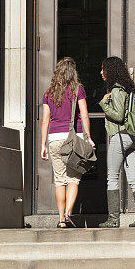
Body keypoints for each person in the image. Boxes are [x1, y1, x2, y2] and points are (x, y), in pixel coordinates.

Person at [41, 56, 94, 228]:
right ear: (73, 73)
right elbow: (84, 114)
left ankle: (61, 219)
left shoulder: (49, 93)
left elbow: (45, 120)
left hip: (54, 139)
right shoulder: (78, 90)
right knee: (73, 179)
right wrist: (89, 137)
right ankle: (69, 212)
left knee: (59, 180)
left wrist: (43, 144)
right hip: (73, 139)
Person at [98, 56, 135, 228]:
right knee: (134, 178)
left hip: (120, 137)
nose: (101, 72)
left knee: (112, 177)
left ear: (110, 70)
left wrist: (105, 104)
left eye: (103, 69)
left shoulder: (117, 90)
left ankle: (113, 219)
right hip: (133, 139)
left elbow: (118, 115)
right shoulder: (131, 90)